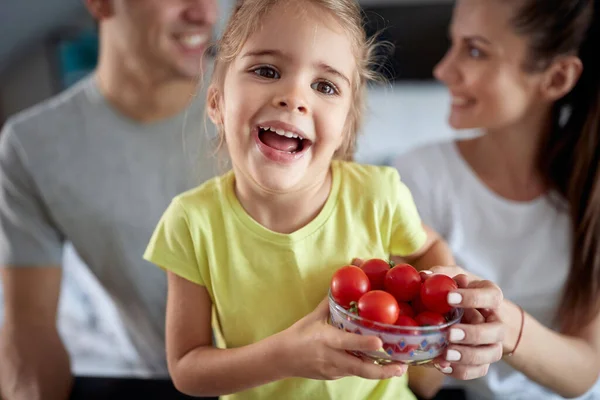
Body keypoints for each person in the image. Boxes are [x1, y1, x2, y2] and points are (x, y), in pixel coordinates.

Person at [143, 0, 504, 399]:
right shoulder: (191, 222)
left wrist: (435, 329)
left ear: (345, 127)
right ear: (217, 104)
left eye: (325, 86)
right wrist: (286, 357)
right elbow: (187, 369)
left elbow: (428, 249)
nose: (294, 97)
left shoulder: (377, 194)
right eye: (267, 70)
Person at [0, 0, 219, 399]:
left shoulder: (275, 112)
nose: (205, 13)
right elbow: (29, 325)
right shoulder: (33, 147)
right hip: (166, 383)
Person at [394, 0, 600, 399]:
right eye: (452, 44)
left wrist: (503, 326)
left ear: (557, 78)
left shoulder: (589, 191)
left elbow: (587, 371)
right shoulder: (418, 176)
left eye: (475, 50)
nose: (443, 70)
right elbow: (421, 381)